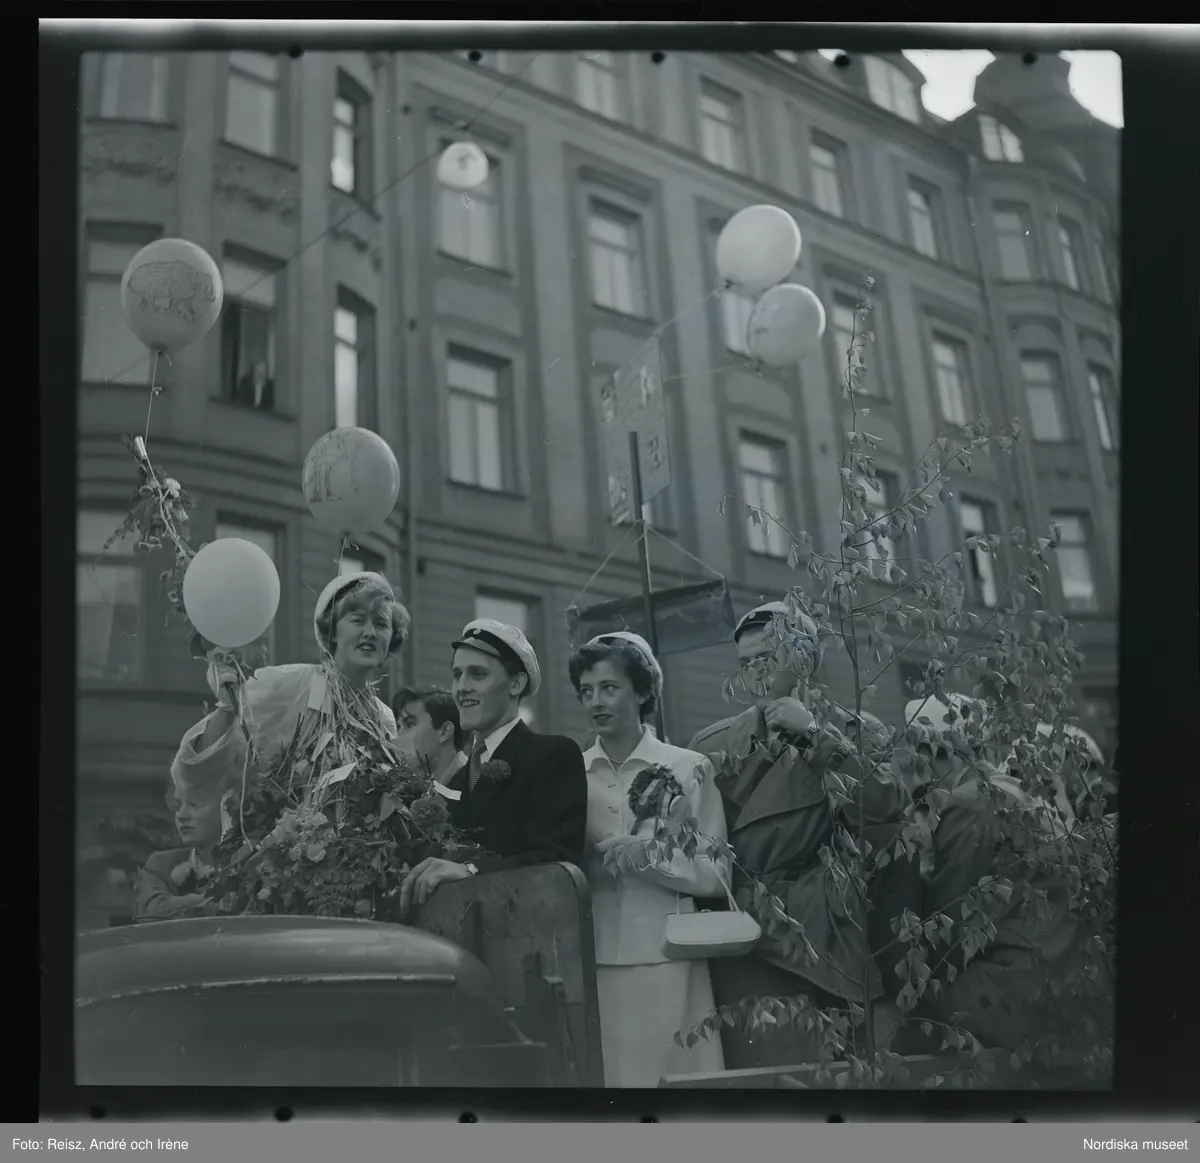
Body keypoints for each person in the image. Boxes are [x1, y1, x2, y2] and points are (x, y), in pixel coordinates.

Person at [687, 601, 914, 1070]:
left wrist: (814, 735)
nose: (755, 673)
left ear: (805, 659)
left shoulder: (852, 731)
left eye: (767, 659)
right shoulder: (712, 745)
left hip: (828, 929)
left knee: (835, 1072)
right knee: (769, 1072)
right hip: (746, 932)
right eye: (745, 663)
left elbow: (883, 810)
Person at [570, 631, 730, 1087]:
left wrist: (648, 857)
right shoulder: (572, 774)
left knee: (677, 1084)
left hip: (670, 954)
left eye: (609, 687)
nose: (596, 702)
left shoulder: (688, 767)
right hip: (598, 957)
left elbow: (717, 873)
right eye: (586, 691)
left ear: (642, 692)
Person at [398, 619, 587, 913]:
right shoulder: (457, 780)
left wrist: (471, 870)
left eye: (478, 674)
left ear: (516, 684)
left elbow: (555, 862)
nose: (461, 688)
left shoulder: (553, 756)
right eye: (457, 675)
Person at [173, 571, 408, 796]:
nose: (370, 632)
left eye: (381, 624)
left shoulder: (383, 718)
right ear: (333, 632)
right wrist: (227, 707)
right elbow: (198, 769)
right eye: (358, 620)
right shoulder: (286, 685)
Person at [134, 770, 231, 921]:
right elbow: (150, 912)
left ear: (227, 807)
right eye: (177, 806)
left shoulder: (253, 862)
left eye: (194, 805)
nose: (181, 815)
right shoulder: (161, 865)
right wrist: (213, 900)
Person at [392, 684, 467, 784]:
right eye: (399, 727)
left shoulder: (473, 785)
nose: (398, 736)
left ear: (445, 732)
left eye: (410, 724)